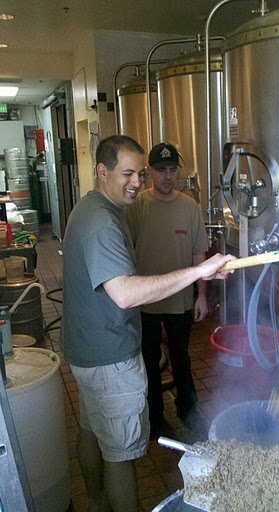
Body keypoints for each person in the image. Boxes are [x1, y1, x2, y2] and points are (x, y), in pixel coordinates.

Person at [60, 135, 234, 512]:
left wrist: (196, 284)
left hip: (86, 350)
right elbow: (124, 293)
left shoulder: (93, 209)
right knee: (120, 455)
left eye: (139, 173)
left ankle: (96, 503)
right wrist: (198, 272)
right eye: (128, 173)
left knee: (92, 431)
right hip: (108, 356)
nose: (137, 181)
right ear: (101, 172)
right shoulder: (103, 222)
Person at [125, 142, 213, 438]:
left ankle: (188, 410)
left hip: (180, 302)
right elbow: (125, 252)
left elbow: (198, 255)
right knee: (148, 361)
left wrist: (201, 294)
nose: (167, 176)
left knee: (181, 358)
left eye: (172, 170)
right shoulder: (136, 206)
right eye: (161, 170)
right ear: (148, 172)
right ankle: (155, 417)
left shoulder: (189, 206)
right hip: (146, 303)